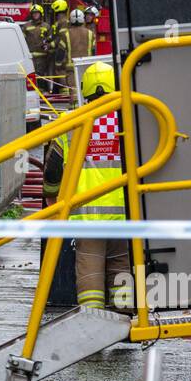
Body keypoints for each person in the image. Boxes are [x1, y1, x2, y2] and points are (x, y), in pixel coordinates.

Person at [41, 61, 130, 310]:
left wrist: (51, 199)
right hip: (126, 214)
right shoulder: (130, 120)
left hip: (87, 216)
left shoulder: (73, 122)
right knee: (121, 266)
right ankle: (126, 318)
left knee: (89, 270)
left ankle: (92, 320)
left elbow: (52, 169)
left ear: (84, 88)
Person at [22, 4, 50, 91]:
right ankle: (32, 90)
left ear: (41, 14)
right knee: (30, 74)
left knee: (41, 74)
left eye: (37, 13)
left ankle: (42, 90)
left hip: (42, 57)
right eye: (33, 13)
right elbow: (22, 40)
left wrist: (47, 46)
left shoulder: (46, 26)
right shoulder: (26, 26)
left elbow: (50, 40)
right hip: (30, 56)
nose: (35, 15)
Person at [47, 0, 72, 95]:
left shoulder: (64, 23)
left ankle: (65, 94)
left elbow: (61, 38)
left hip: (63, 52)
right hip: (59, 51)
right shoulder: (59, 23)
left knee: (61, 71)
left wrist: (50, 45)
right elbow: (55, 36)